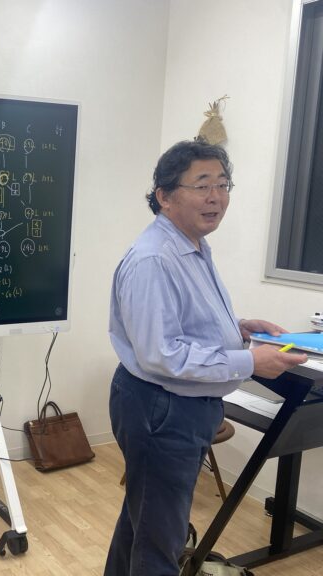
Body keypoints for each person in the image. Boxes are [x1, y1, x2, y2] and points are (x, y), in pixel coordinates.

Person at [104, 139, 307, 576]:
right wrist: (251, 363)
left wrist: (239, 327)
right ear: (164, 195)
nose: (216, 197)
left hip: (177, 405)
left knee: (144, 521)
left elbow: (185, 322)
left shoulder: (190, 245)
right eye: (202, 185)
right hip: (161, 408)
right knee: (160, 542)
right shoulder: (154, 259)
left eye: (222, 184)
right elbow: (161, 354)